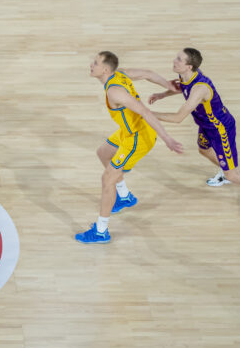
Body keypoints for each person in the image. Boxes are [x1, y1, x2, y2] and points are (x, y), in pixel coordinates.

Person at [144, 48, 240, 223]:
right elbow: (181, 86)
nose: (174, 60)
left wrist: (146, 113)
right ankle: (225, 169)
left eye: (179, 59)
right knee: (203, 149)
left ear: (189, 66)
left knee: (233, 175)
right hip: (206, 125)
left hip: (220, 130)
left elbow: (178, 117)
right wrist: (162, 95)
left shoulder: (200, 89)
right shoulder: (187, 76)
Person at [76, 52, 184, 244]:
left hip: (138, 138)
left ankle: (101, 232)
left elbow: (145, 112)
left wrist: (167, 138)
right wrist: (168, 85)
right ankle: (124, 196)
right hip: (129, 131)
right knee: (103, 153)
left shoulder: (114, 92)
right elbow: (147, 73)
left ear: (105, 70)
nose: (91, 65)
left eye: (95, 63)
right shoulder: (120, 74)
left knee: (108, 179)